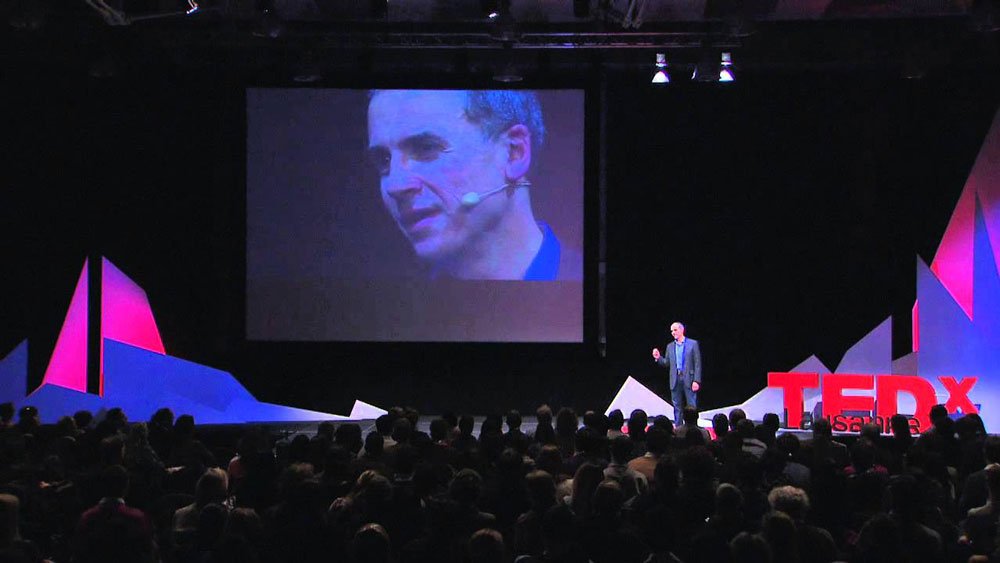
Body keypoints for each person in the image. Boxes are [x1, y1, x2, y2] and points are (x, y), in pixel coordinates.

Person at [367, 89, 581, 280]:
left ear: (514, 152)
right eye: (384, 161)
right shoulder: (391, 309)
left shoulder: (587, 286)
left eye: (426, 148)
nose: (395, 186)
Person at [651, 322, 702, 423]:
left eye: (675, 330)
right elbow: (666, 363)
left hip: (689, 379)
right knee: (677, 406)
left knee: (691, 406)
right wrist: (658, 358)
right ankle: (678, 428)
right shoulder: (670, 346)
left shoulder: (693, 344)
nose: (673, 333)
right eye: (671, 331)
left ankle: (693, 427)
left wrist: (696, 380)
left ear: (681, 330)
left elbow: (697, 363)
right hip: (675, 379)